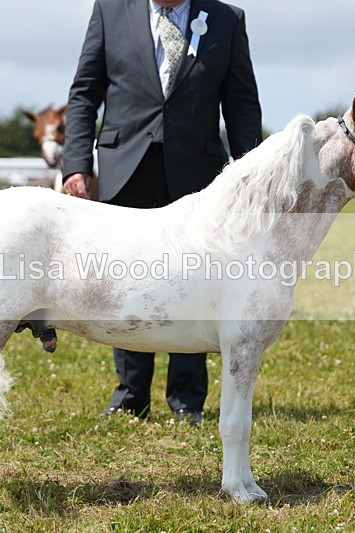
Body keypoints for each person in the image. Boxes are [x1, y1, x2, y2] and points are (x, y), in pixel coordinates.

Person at [62, 0, 263, 425]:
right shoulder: (109, 10)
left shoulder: (227, 19)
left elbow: (241, 103)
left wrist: (251, 175)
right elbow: (83, 94)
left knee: (194, 279)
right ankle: (131, 394)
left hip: (199, 172)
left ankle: (187, 399)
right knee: (127, 278)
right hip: (124, 164)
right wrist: (77, 164)